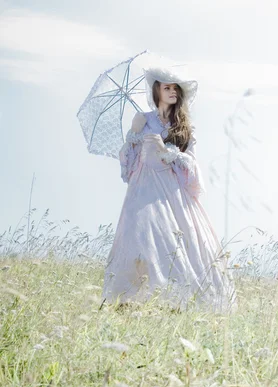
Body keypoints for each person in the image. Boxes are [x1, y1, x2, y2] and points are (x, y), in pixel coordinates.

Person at [101, 65, 237, 312]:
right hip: (142, 191)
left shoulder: (184, 126)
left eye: (176, 88)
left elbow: (193, 164)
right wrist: (134, 131)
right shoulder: (143, 120)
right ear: (157, 91)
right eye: (167, 88)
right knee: (138, 236)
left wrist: (169, 153)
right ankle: (127, 301)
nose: (173, 92)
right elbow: (128, 162)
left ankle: (174, 301)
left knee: (173, 240)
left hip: (172, 191)